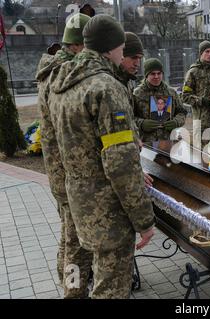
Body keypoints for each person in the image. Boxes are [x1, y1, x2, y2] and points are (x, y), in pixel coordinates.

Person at [48, 14, 155, 299]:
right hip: (108, 212)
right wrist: (144, 220)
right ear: (110, 47)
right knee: (111, 289)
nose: (124, 54)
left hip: (78, 201)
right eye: (122, 47)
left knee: (80, 266)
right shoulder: (107, 88)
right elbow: (120, 164)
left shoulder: (62, 85)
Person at [36, 13, 93, 298]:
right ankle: (73, 291)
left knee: (68, 235)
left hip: (59, 172)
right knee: (76, 244)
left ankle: (65, 278)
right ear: (80, 45)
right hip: (70, 174)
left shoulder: (49, 71)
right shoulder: (63, 75)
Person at [133, 58, 187, 144]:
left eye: (159, 73)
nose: (156, 76)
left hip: (168, 141)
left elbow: (182, 112)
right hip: (146, 143)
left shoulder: (171, 92)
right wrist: (141, 123)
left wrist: (176, 122)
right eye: (152, 74)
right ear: (146, 75)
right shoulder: (137, 94)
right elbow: (130, 117)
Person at [182, 40, 210, 147]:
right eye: (207, 51)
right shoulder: (193, 72)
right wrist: (202, 100)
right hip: (201, 122)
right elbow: (185, 96)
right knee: (201, 155)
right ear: (200, 54)